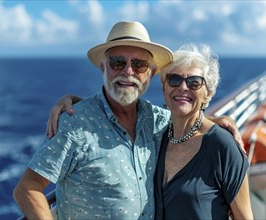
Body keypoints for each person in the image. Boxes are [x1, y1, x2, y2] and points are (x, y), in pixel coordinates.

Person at [14, 21, 242, 220]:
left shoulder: (155, 120)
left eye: (139, 64)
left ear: (150, 74)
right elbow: (27, 188)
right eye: (117, 63)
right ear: (104, 68)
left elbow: (187, 116)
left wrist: (218, 120)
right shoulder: (75, 124)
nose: (128, 71)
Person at [154, 43, 253, 219]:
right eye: (174, 79)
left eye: (194, 82)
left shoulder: (222, 146)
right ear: (164, 87)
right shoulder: (156, 138)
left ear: (207, 94)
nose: (183, 87)